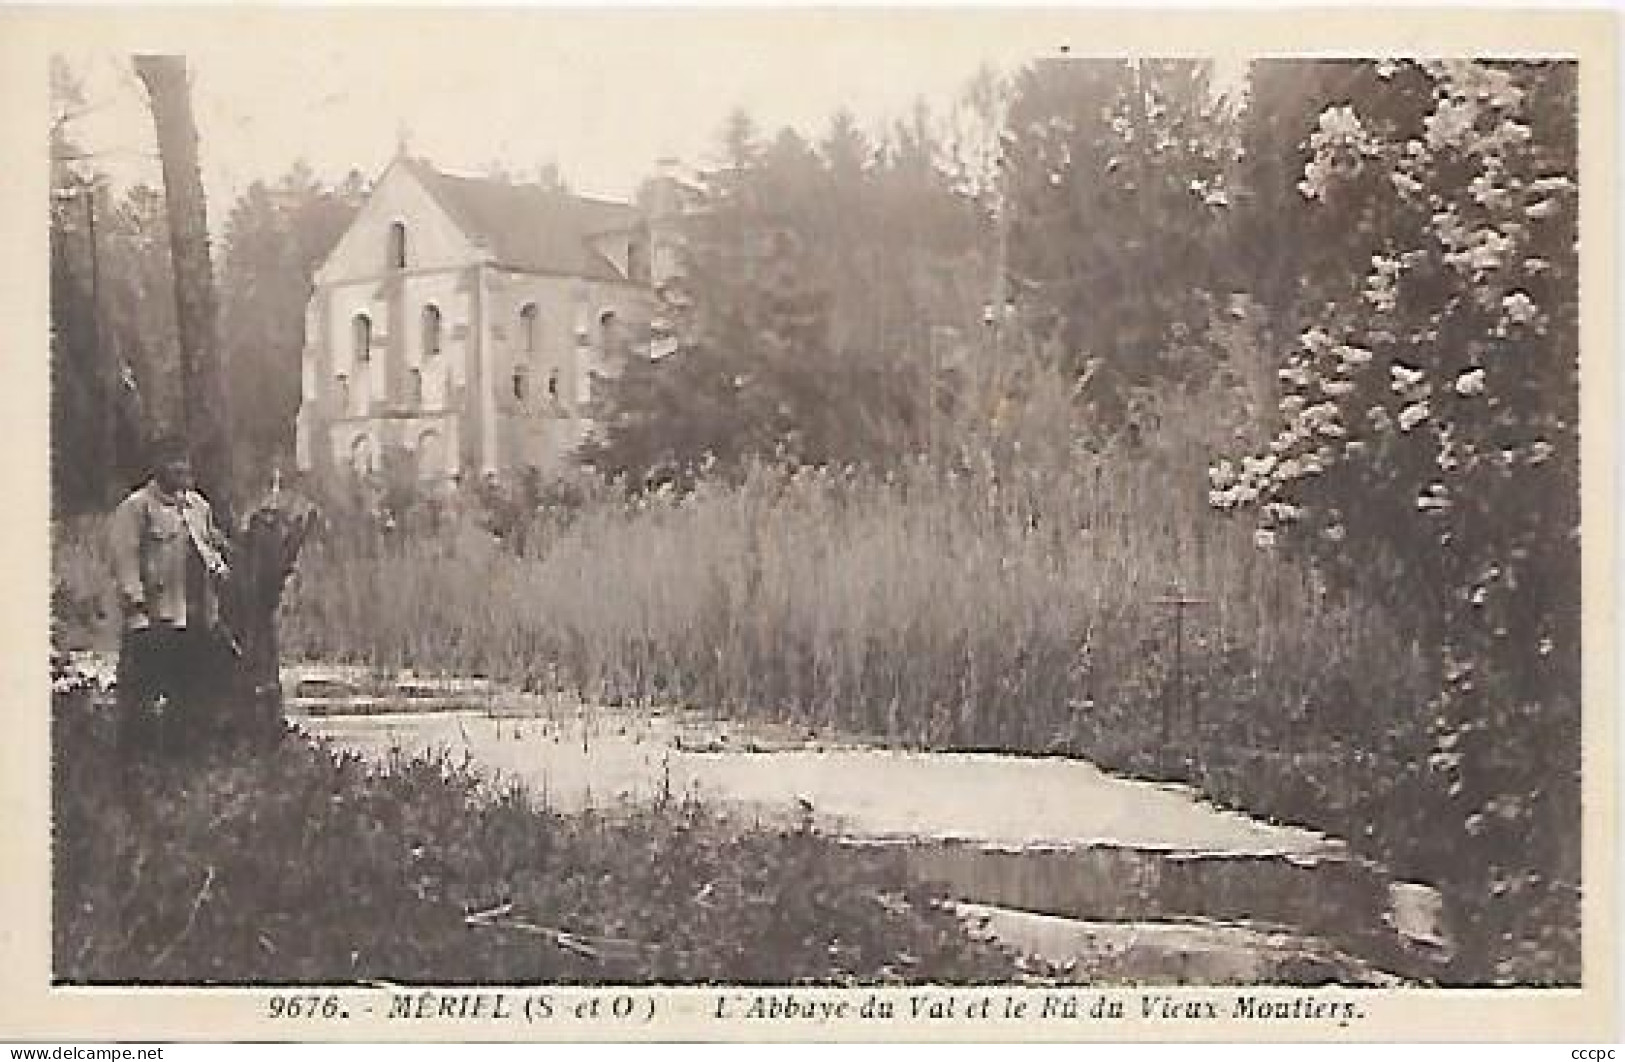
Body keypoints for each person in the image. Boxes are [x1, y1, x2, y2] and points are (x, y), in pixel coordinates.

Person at [108, 436, 233, 758]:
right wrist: (138, 614)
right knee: (145, 698)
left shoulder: (197, 506)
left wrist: (223, 571)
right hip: (156, 619)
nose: (181, 468)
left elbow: (209, 549)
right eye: (172, 460)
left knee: (190, 694)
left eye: (184, 460)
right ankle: (140, 766)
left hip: (195, 619)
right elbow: (125, 562)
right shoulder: (136, 508)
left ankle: (182, 762)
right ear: (157, 466)